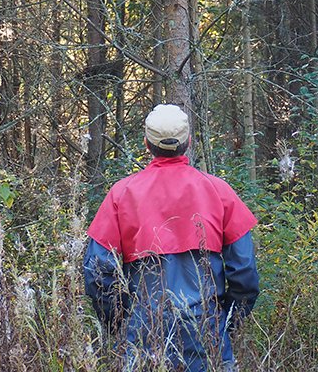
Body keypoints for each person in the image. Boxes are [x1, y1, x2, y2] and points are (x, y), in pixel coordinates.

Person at [83, 104, 260, 371]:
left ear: (146, 143)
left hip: (144, 333)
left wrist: (119, 322)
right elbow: (244, 270)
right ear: (188, 142)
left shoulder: (122, 194)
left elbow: (97, 270)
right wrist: (228, 323)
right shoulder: (219, 191)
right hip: (206, 333)